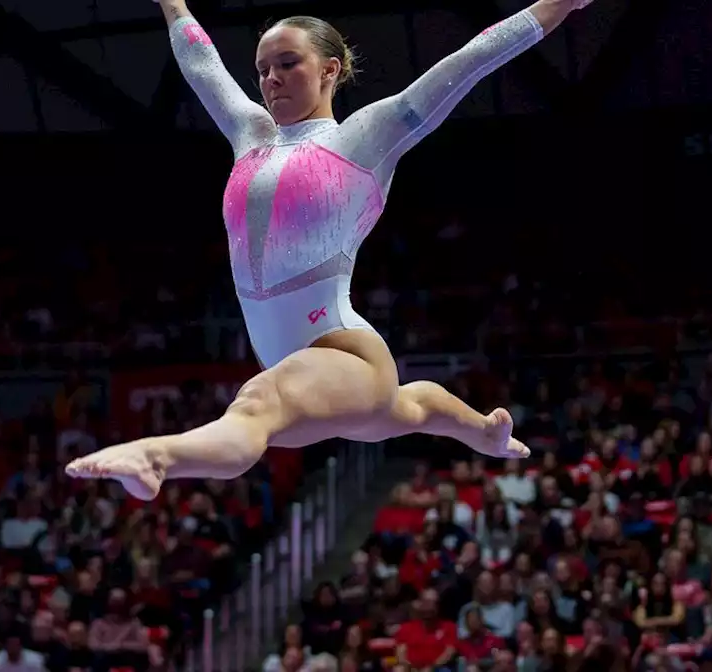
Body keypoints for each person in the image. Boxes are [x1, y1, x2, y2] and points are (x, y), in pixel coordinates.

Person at [68, 0, 594, 500]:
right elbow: (202, 65)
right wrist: (174, 6)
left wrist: (558, 5)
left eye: (287, 63)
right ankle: (483, 433)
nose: (271, 79)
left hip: (340, 353)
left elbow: (472, 60)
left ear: (330, 70)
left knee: (255, 404)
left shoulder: (364, 138)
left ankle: (156, 458)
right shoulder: (250, 134)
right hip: (307, 374)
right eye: (263, 69)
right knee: (405, 407)